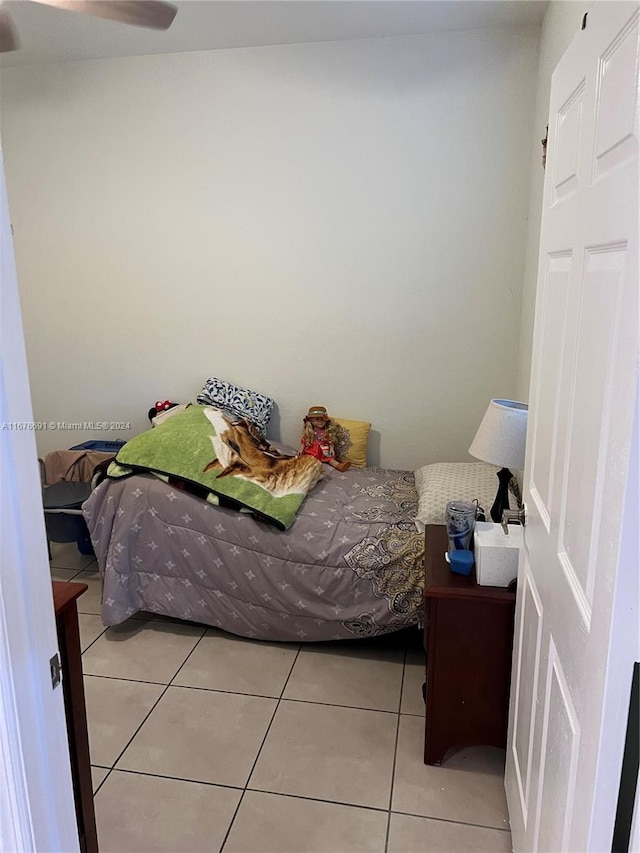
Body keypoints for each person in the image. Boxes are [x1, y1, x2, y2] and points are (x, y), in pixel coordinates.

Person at [300, 405, 351, 472]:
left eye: (322, 420)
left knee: (330, 459)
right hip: (313, 450)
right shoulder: (310, 431)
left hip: (324, 449)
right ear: (310, 420)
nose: (320, 422)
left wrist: (332, 449)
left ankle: (339, 466)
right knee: (309, 459)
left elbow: (330, 440)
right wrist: (301, 449)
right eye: (317, 420)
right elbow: (304, 441)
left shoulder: (327, 430)